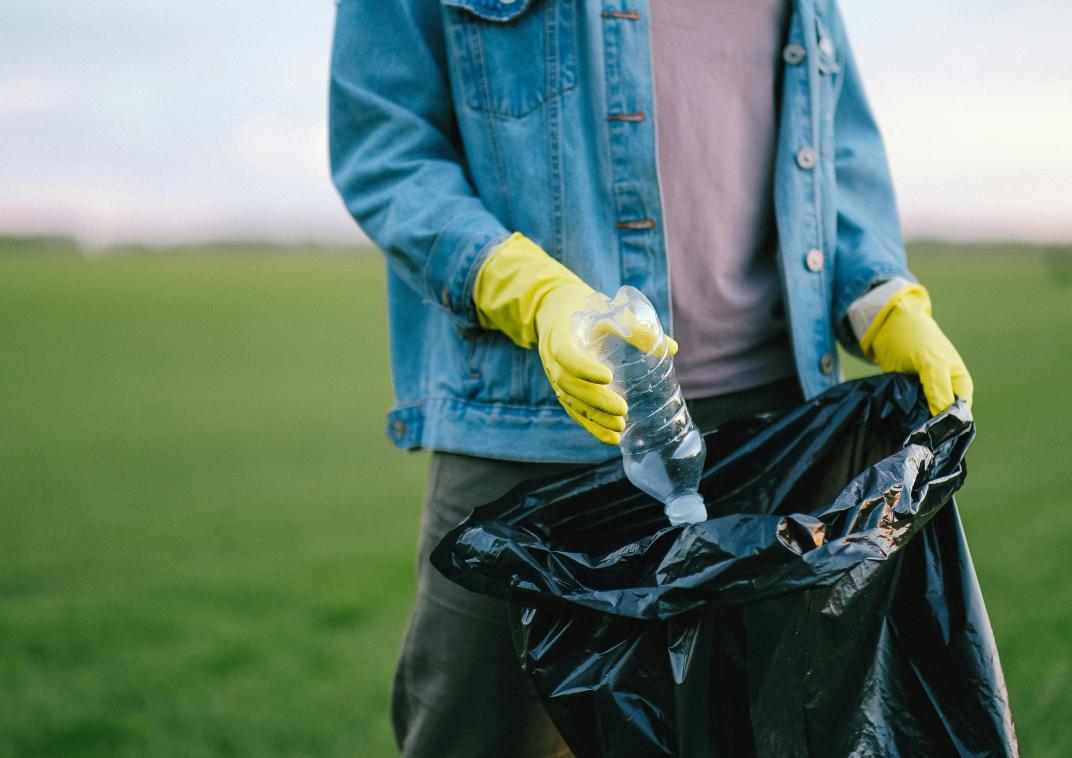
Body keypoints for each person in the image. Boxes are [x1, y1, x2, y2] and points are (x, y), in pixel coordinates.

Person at [329, 1, 973, 755]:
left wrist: (881, 298)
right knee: (483, 738)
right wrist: (535, 296)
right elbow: (386, 147)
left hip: (772, 434)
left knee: (758, 734)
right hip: (530, 425)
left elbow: (835, 146)